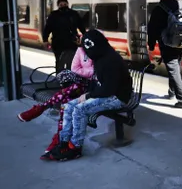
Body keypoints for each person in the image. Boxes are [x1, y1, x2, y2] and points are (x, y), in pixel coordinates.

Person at [49, 29, 132, 161]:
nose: (87, 55)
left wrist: (88, 96)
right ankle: (64, 142)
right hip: (105, 93)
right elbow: (97, 82)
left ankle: (75, 147)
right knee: (69, 106)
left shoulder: (110, 60)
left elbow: (108, 89)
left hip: (117, 97)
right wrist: (88, 94)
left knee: (80, 109)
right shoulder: (99, 56)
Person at [16, 41, 96, 160]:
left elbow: (94, 73)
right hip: (78, 85)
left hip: (89, 88)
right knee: (67, 100)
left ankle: (42, 110)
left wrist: (83, 73)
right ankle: (59, 139)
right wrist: (84, 74)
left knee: (68, 95)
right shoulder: (80, 51)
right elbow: (75, 68)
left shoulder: (97, 53)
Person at [147, 0, 182, 109]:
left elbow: (152, 29)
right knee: (175, 70)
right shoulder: (181, 6)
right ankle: (171, 93)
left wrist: (151, 47)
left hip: (167, 45)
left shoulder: (159, 8)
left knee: (173, 71)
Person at [42, 0, 86, 69]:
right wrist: (45, 40)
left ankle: (70, 77)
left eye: (65, 4)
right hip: (58, 43)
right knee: (59, 62)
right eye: (61, 5)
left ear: (67, 4)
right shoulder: (53, 15)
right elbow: (47, 28)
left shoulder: (74, 14)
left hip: (72, 42)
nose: (63, 6)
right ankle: (60, 77)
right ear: (58, 6)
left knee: (71, 62)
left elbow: (81, 25)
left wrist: (85, 35)